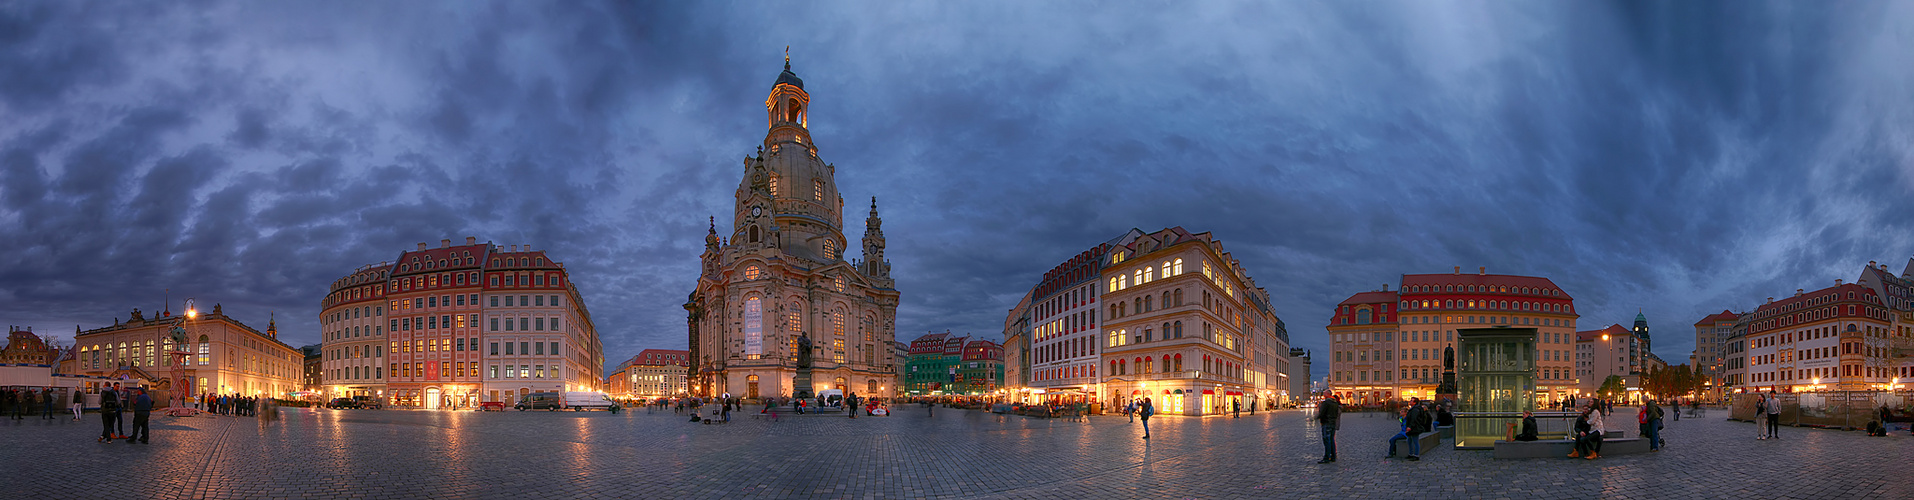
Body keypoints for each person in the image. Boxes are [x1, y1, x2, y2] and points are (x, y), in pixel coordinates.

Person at [1316, 394, 1341, 463]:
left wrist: (1316, 418)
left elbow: (1322, 413)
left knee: (1327, 440)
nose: (1323, 395)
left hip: (1327, 422)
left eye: (1324, 394)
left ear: (1327, 395)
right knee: (1332, 439)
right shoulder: (1335, 403)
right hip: (1333, 423)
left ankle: (1326, 457)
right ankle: (1333, 456)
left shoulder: (1326, 403)